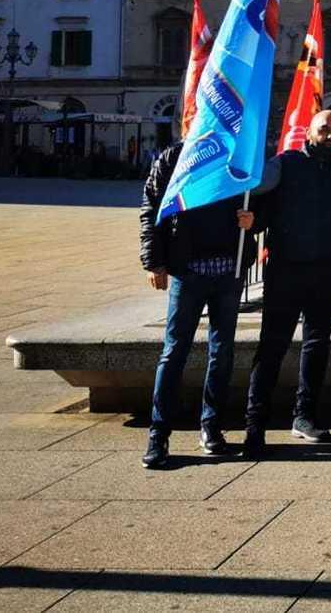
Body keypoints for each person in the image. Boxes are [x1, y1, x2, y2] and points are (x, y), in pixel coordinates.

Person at [242, 110, 331, 458]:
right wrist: (252, 222)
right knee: (272, 347)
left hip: (329, 271)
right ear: (309, 132)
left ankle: (305, 417)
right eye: (324, 129)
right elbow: (257, 198)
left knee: (317, 345)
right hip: (286, 270)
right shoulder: (286, 163)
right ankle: (255, 424)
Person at [138, 139, 260, 468]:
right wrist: (154, 261)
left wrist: (253, 220)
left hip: (228, 270)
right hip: (187, 269)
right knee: (174, 350)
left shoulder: (238, 155)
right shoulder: (174, 157)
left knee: (222, 352)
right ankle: (158, 433)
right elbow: (152, 207)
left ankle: (211, 427)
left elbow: (259, 201)